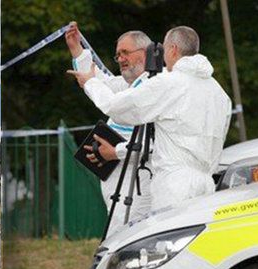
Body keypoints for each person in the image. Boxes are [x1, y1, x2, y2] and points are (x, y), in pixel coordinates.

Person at [68, 26, 231, 212]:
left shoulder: (169, 83)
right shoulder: (220, 93)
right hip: (206, 185)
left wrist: (90, 83)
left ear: (173, 49)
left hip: (174, 184)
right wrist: (81, 58)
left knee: (168, 238)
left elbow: (116, 106)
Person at [65, 22, 153, 234]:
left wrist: (114, 152)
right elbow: (101, 82)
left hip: (137, 183)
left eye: (125, 53)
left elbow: (149, 146)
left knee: (124, 238)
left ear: (145, 53)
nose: (120, 59)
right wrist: (77, 49)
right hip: (116, 181)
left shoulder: (152, 87)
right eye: (117, 55)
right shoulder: (132, 83)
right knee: (118, 233)